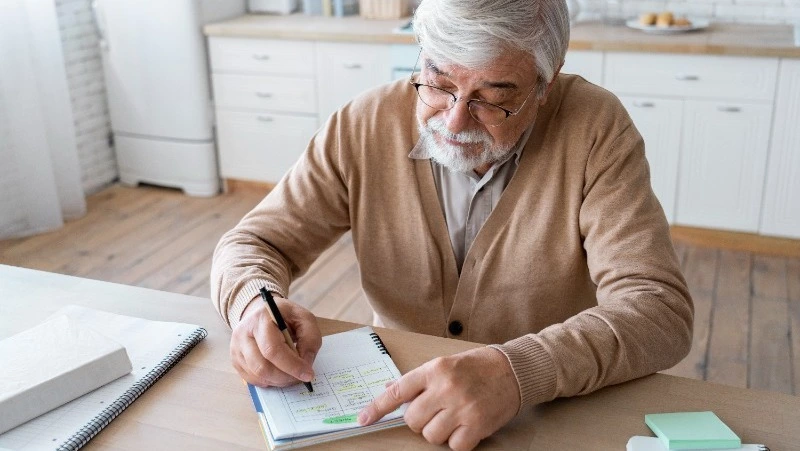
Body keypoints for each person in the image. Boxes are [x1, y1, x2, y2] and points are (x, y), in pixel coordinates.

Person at [210, 0, 694, 449]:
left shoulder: (595, 128)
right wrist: (254, 302)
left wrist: (517, 371)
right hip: (397, 408)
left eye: (493, 98)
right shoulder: (363, 123)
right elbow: (254, 242)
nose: (456, 121)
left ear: (546, 85)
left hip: (544, 410)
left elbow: (658, 310)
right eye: (439, 83)